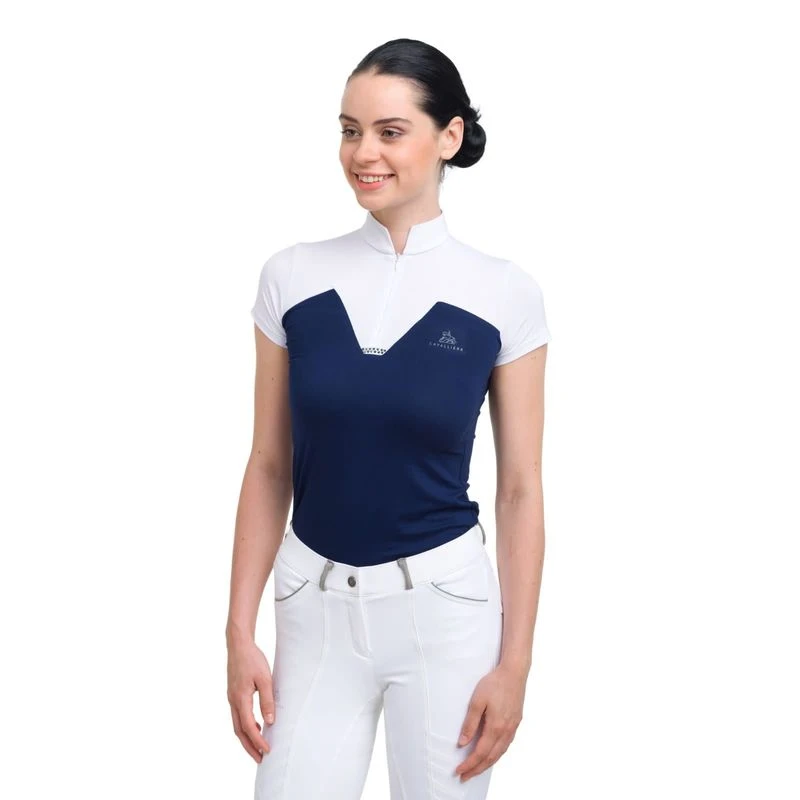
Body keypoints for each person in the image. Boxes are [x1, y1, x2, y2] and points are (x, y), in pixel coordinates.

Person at [226, 37, 551, 800]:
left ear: (449, 137)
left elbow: (520, 490)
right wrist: (239, 631)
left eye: (389, 132)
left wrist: (516, 664)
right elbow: (269, 464)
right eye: (350, 130)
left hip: (445, 613)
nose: (362, 153)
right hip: (311, 606)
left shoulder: (504, 293)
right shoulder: (291, 277)